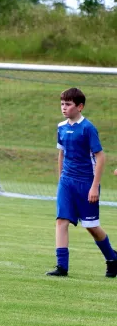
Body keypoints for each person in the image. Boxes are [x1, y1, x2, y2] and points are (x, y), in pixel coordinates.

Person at [46, 88, 116, 278]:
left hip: (86, 184)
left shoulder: (88, 128)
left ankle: (112, 258)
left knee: (91, 227)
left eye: (68, 104)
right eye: (62, 104)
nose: (64, 107)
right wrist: (61, 178)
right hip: (67, 182)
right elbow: (62, 153)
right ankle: (62, 266)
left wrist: (95, 186)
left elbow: (100, 157)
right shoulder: (61, 127)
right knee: (61, 221)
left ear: (80, 106)